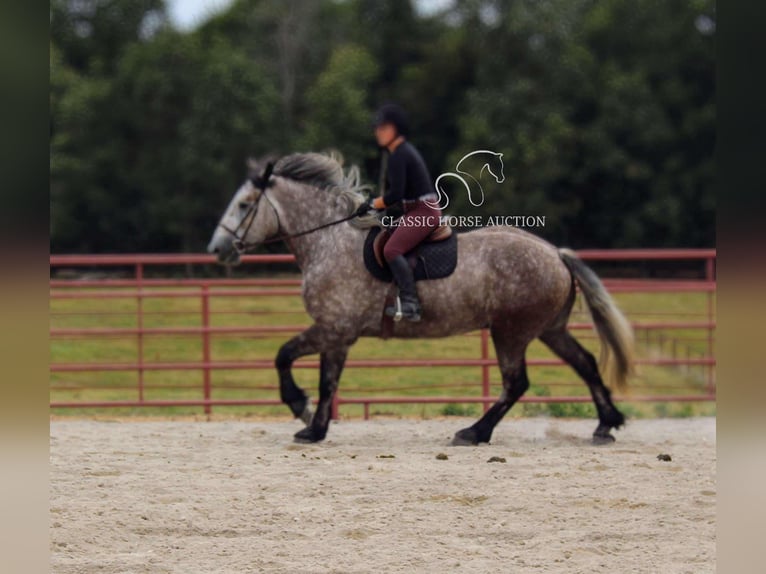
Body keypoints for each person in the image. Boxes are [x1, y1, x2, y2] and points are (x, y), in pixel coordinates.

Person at [362, 103, 442, 322]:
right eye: (377, 128)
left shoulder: (399, 154)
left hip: (423, 211)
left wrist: (371, 204)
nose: (378, 132)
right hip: (413, 209)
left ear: (395, 129)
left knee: (391, 249)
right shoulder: (400, 152)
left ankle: (410, 303)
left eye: (383, 127)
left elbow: (395, 194)